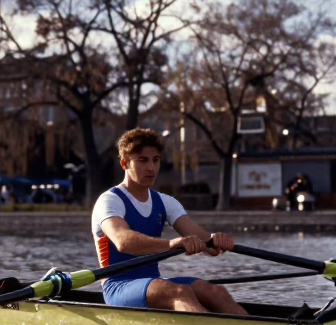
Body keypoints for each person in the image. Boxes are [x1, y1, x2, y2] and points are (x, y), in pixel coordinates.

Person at [92, 127, 246, 314]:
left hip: (152, 283)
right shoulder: (110, 200)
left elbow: (207, 243)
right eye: (143, 160)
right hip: (118, 286)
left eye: (155, 160)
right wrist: (172, 243)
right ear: (124, 163)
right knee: (180, 292)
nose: (151, 168)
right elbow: (123, 241)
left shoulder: (165, 202)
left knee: (216, 292)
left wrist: (216, 240)